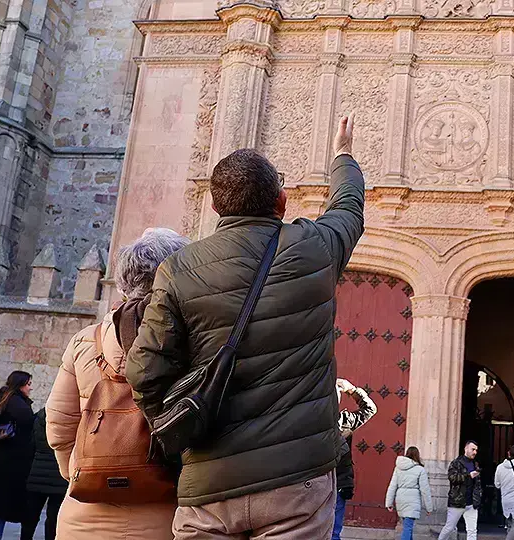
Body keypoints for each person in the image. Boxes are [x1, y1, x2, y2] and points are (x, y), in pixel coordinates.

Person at [125, 114, 365, 539]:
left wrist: (176, 426)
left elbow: (144, 369)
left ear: (215, 208)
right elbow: (347, 208)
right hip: (297, 482)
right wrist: (343, 154)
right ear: (282, 201)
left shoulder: (178, 269)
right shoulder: (314, 248)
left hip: (209, 484)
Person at [46, 228, 190, 539]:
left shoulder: (85, 341)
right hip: (164, 515)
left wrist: (85, 472)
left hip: (83, 517)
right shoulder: (192, 343)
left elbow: (58, 426)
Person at [0, 370, 35, 539]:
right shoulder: (16, 403)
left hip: (2, 463)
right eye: (28, 384)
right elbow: (28, 422)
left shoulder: (7, 400)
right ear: (20, 385)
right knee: (1, 505)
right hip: (9, 464)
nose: (30, 388)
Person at [333, 378, 378, 540]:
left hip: (332, 484)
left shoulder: (345, 420)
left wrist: (352, 389)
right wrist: (351, 390)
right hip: (323, 484)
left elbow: (370, 409)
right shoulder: (344, 421)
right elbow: (369, 409)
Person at [22, 408, 67, 540]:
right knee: (53, 518)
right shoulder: (65, 420)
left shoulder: (38, 419)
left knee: (30, 516)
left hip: (37, 473)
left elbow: (31, 445)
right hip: (59, 476)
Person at [385, 446, 433, 540]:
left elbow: (392, 486)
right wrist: (429, 507)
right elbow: (425, 490)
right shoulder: (420, 470)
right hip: (412, 500)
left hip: (401, 499)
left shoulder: (398, 468)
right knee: (408, 527)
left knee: (408, 526)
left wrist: (389, 503)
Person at [437, 440, 482, 540]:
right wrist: (468, 476)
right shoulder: (456, 463)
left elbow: (477, 484)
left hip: (471, 503)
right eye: (473, 449)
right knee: (449, 528)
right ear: (466, 449)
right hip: (457, 502)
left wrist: (478, 496)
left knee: (472, 530)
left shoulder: (475, 464)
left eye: (476, 450)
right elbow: (452, 478)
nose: (475, 452)